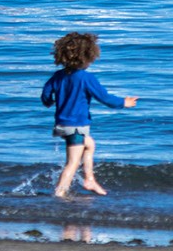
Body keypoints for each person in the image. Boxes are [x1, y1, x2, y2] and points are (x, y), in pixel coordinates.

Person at [41, 32, 137, 198]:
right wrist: (124, 103)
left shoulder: (58, 76)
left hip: (62, 125)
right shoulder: (86, 78)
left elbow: (46, 94)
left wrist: (49, 102)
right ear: (89, 56)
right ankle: (60, 193)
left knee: (90, 144)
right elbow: (105, 98)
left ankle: (89, 179)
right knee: (72, 163)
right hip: (76, 127)